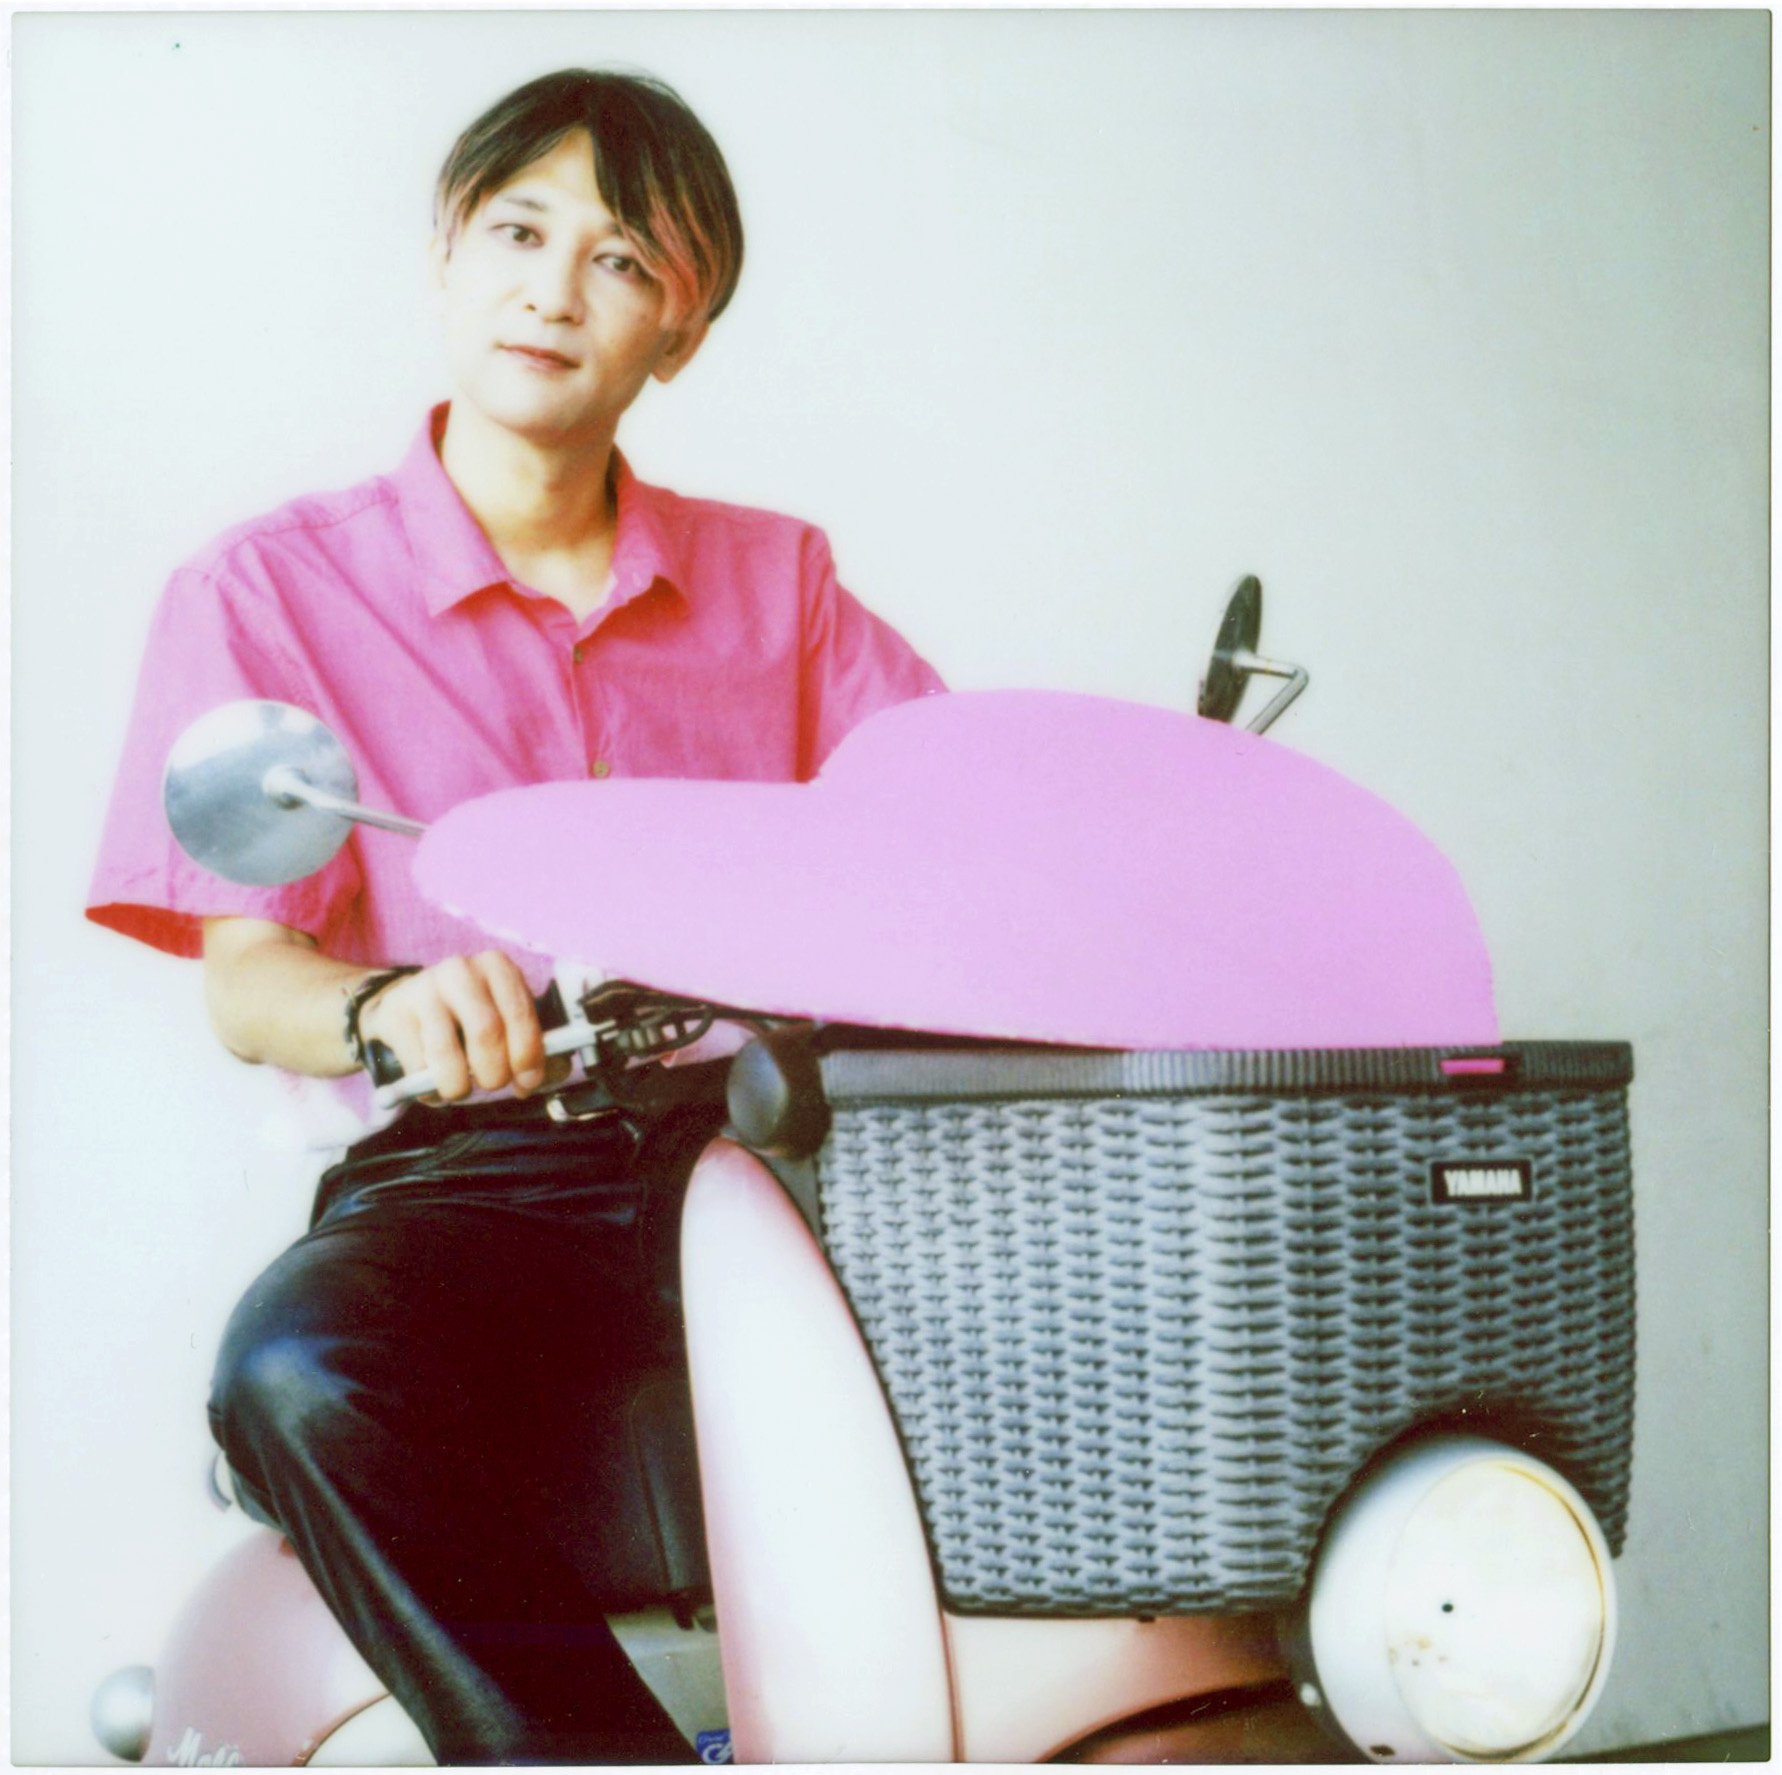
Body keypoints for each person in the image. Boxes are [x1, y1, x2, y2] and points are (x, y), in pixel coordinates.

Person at [88, 68, 943, 1763]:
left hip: (774, 1154)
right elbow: (249, 978)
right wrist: (382, 1007)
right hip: (485, 1166)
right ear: (445, 259)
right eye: (518, 232)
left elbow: (952, 842)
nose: (554, 289)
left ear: (680, 330)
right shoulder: (265, 591)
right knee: (298, 1373)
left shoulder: (781, 584)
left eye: (622, 261)